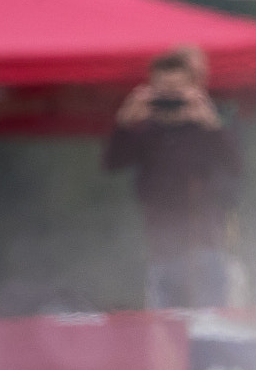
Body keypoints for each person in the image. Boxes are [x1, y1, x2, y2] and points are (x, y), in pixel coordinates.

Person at [102, 47, 241, 309]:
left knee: (209, 324)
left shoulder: (209, 126)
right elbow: (112, 163)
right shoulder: (147, 131)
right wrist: (124, 122)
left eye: (178, 89)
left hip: (205, 244)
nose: (171, 97)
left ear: (194, 88)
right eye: (164, 90)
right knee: (166, 330)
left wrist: (211, 125)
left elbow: (235, 166)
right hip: (162, 248)